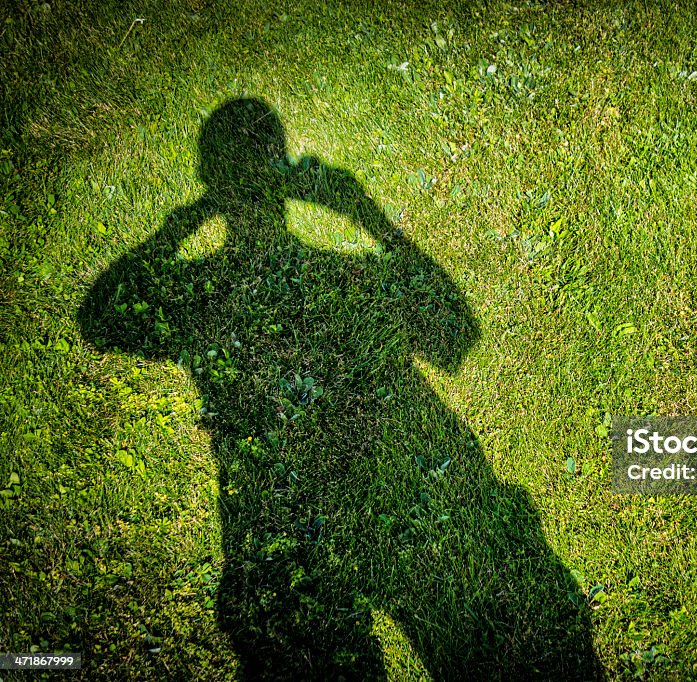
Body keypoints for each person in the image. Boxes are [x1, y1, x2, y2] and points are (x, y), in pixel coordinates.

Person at [79, 98, 595, 679]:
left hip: (275, 514)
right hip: (383, 498)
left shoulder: (204, 291)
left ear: (210, 180)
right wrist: (362, 212)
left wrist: (186, 221)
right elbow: (454, 332)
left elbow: (100, 315)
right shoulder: (342, 277)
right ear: (286, 172)